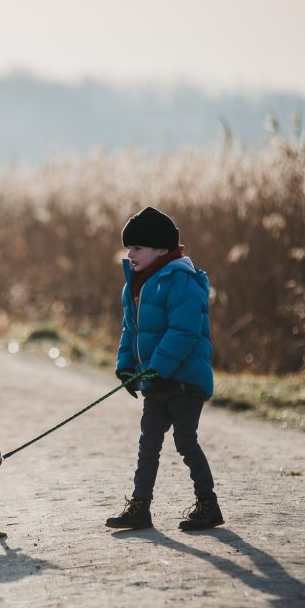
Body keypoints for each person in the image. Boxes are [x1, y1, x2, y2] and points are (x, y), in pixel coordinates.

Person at [105, 206, 223, 531]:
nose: (130, 254)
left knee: (185, 442)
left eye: (137, 248)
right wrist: (126, 367)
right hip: (156, 383)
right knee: (148, 445)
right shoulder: (135, 286)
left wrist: (158, 367)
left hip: (184, 382)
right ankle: (140, 507)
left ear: (161, 249)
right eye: (129, 248)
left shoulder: (181, 281)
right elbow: (131, 331)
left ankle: (208, 505)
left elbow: (184, 331)